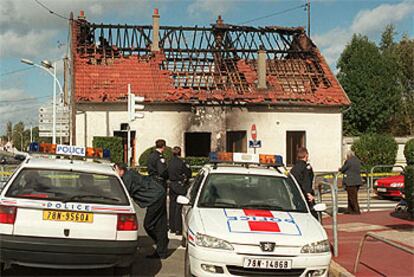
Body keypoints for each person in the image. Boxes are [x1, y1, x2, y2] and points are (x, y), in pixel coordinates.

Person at [115, 160, 168, 259]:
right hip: (157, 194)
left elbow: (124, 193)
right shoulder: (129, 174)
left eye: (116, 170)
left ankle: (161, 244)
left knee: (149, 224)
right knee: (160, 224)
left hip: (155, 197)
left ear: (121, 170)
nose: (116, 172)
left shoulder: (127, 178)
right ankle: (162, 250)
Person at [144, 139, 169, 258]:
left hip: (152, 185)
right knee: (159, 219)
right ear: (163, 147)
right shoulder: (159, 158)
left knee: (159, 219)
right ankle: (161, 244)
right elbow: (163, 172)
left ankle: (161, 247)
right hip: (159, 186)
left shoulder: (150, 156)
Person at [167, 146, 192, 235]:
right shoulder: (181, 162)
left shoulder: (169, 161)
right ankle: (178, 228)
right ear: (180, 153)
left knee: (171, 206)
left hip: (171, 184)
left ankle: (172, 226)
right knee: (179, 207)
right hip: (179, 185)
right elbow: (188, 173)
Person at [290, 147, 317, 218]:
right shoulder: (306, 168)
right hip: (305, 195)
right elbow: (307, 181)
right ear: (306, 155)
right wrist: (308, 193)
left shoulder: (294, 168)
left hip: (296, 195)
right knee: (312, 216)